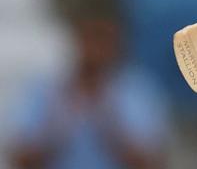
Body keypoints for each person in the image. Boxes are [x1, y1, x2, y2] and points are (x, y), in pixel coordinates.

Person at [7, 15, 169, 169]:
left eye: (103, 39)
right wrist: (61, 123)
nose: (95, 49)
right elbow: (19, 158)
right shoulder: (44, 89)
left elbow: (152, 162)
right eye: (90, 38)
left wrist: (106, 116)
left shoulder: (137, 90)